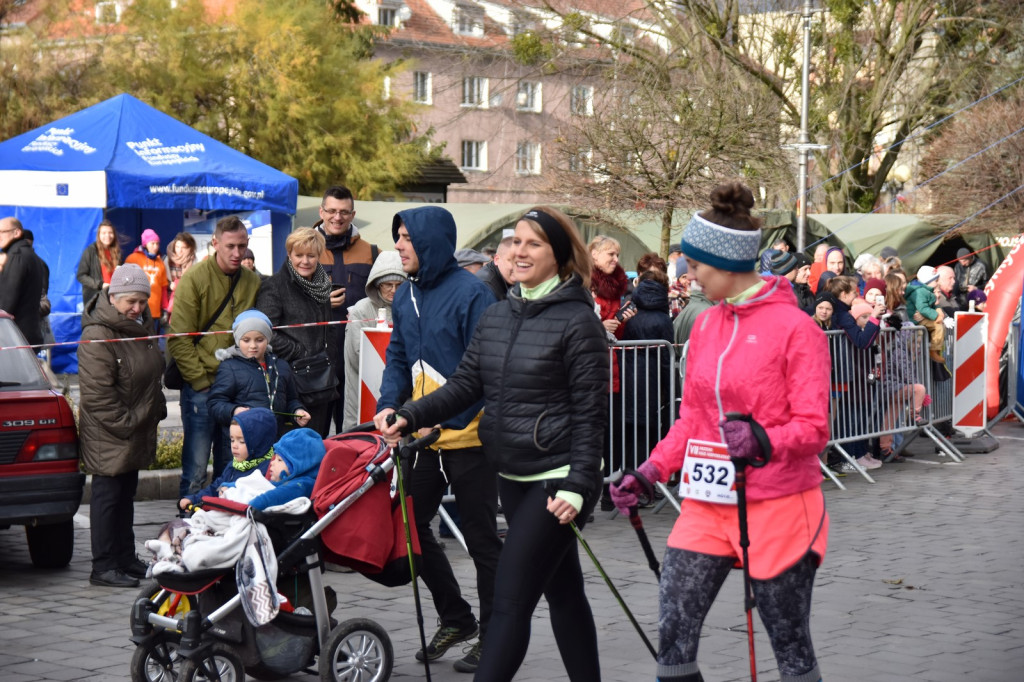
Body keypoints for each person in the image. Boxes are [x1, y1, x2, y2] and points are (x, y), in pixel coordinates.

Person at [610, 182, 830, 682]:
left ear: (727, 265)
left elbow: (815, 426)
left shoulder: (797, 329)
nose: (686, 276)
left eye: (695, 266)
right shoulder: (706, 325)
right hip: (708, 502)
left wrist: (764, 439)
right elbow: (692, 419)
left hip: (778, 505)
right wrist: (648, 473)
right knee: (674, 633)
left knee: (790, 642)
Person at [381, 206, 607, 682]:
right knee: (566, 593)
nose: (520, 251)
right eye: (516, 241)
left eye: (534, 243)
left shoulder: (577, 321)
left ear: (560, 256)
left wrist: (580, 484)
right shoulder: (500, 313)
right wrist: (409, 414)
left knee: (508, 603)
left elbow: (591, 414)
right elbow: (465, 385)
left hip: (556, 485)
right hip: (511, 474)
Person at [373, 205, 501, 673]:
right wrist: (390, 403)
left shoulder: (474, 295)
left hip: (469, 437)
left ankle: (495, 634)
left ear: (430, 242)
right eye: (398, 237)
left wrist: (440, 422)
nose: (399, 246)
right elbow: (399, 356)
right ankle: (457, 617)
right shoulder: (404, 297)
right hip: (421, 437)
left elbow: (481, 374)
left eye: (407, 238)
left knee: (482, 541)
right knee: (407, 528)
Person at [78, 264, 166, 587]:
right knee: (107, 499)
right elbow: (98, 397)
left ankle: (125, 558)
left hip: (132, 430)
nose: (137, 308)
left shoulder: (136, 328)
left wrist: (152, 410)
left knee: (125, 496)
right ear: (112, 296)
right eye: (131, 301)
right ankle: (103, 566)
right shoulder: (98, 335)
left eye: (142, 302)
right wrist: (130, 423)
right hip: (111, 433)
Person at [168, 216, 261, 497]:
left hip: (236, 389)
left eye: (242, 246)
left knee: (231, 467)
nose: (237, 253)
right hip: (202, 388)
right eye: (230, 246)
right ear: (215, 243)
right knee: (195, 470)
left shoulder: (252, 281)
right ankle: (186, 528)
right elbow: (179, 339)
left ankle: (221, 530)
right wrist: (200, 382)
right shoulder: (193, 279)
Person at [257, 227, 339, 437]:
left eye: (311, 255)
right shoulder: (274, 286)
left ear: (318, 256)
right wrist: (301, 352)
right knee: (291, 449)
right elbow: (265, 332)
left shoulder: (322, 285)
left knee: (316, 444)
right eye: (299, 255)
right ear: (289, 254)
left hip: (321, 380)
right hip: (290, 382)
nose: (305, 261)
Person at [313, 185, 379, 433]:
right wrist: (319, 302)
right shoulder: (305, 251)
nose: (337, 217)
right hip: (316, 361)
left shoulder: (372, 253)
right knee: (313, 435)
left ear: (352, 214)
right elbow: (286, 300)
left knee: (355, 433)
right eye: (331, 211)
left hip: (358, 359)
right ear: (321, 211)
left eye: (344, 212)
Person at [208, 309, 310, 441]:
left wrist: (297, 412)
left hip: (275, 440)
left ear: (268, 339)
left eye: (259, 340)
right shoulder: (229, 367)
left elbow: (291, 399)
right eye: (246, 340)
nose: (253, 346)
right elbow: (215, 403)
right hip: (244, 442)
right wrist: (234, 410)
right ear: (238, 340)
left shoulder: (282, 366)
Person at [589, 235, 634, 506]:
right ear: (593, 255)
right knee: (593, 434)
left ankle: (610, 492)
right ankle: (593, 490)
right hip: (593, 370)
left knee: (614, 434)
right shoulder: (583, 284)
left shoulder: (619, 288)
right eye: (609, 254)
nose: (615, 259)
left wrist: (622, 322)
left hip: (614, 370)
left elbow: (619, 333)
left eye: (617, 254)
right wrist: (599, 327)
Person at [342, 251, 407, 431]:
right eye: (388, 285)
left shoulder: (411, 307)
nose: (393, 290)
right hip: (364, 393)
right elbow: (356, 356)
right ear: (377, 284)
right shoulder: (361, 310)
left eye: (399, 284)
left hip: (401, 392)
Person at [621, 268, 674, 472]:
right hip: (652, 382)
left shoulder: (629, 313)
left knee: (628, 434)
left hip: (628, 378)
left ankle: (626, 480)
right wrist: (671, 390)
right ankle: (644, 484)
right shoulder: (663, 319)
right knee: (648, 434)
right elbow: (666, 360)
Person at [177, 407, 278, 512]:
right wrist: (194, 499)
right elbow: (215, 487)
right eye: (232, 440)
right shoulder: (234, 465)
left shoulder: (269, 467)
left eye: (241, 441)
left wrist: (231, 490)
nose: (234, 446)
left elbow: (256, 491)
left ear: (259, 442)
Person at [0, 217, 46, 346]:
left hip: (14, 336)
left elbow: (6, 302)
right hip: (26, 334)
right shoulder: (31, 255)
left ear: (17, 232)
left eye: (2, 232)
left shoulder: (17, 256)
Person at [124, 229, 170, 331]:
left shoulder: (160, 262)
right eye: (152, 243)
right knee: (138, 341)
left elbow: (163, 288)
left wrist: (165, 307)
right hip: (138, 309)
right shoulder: (133, 259)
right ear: (145, 244)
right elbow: (124, 283)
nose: (155, 246)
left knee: (153, 341)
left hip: (155, 311)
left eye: (157, 243)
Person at [905, 265, 946, 364]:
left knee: (922, 333)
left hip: (919, 319)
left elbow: (931, 305)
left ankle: (932, 350)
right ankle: (934, 349)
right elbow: (923, 308)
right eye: (936, 281)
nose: (938, 283)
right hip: (915, 319)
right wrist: (936, 316)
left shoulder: (925, 291)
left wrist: (938, 310)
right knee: (938, 326)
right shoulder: (921, 292)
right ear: (928, 281)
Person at [76, 219, 122, 307]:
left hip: (113, 298)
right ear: (99, 235)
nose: (107, 235)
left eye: (110, 232)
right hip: (96, 300)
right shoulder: (90, 251)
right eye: (104, 233)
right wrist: (101, 285)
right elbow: (81, 276)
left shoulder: (117, 252)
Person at [166, 232, 197, 324]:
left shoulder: (195, 262)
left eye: (183, 248)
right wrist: (169, 285)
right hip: (167, 305)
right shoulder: (166, 260)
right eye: (177, 247)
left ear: (190, 249)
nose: (179, 251)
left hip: (185, 304)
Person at [476, 234, 516, 302]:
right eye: (511, 261)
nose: (518, 267)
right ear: (497, 259)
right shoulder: (486, 286)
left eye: (521, 261)